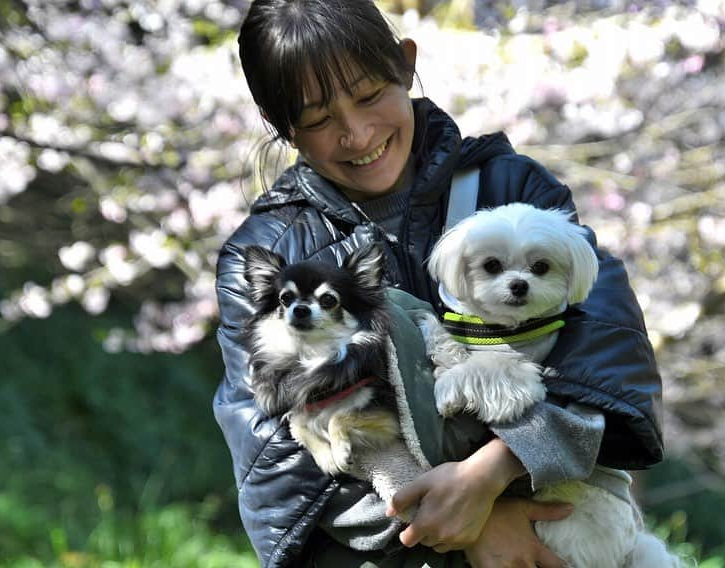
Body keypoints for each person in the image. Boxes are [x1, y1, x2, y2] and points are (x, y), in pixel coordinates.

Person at [213, 1, 664, 566]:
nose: (356, 133)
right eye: (319, 118)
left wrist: (494, 471)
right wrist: (465, 529)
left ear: (405, 65)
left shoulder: (513, 188)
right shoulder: (268, 257)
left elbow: (607, 358)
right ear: (281, 123)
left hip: (557, 529)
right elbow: (274, 458)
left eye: (370, 94)